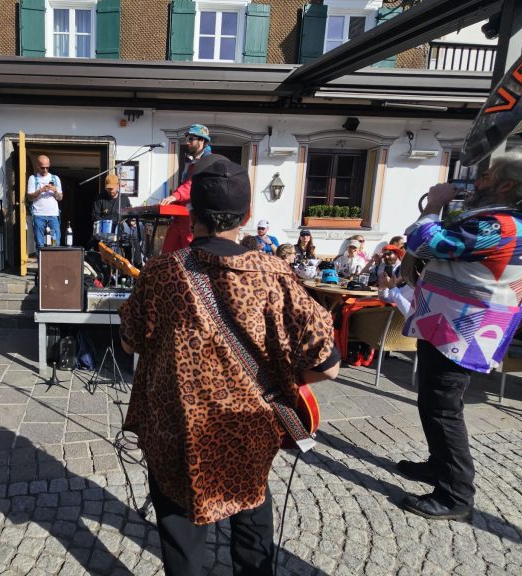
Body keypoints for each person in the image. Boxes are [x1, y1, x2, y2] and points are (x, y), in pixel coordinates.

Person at [120, 154, 338, 576]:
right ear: (247, 215)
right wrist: (284, 381)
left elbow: (130, 342)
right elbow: (328, 365)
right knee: (252, 516)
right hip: (248, 428)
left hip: (176, 428)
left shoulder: (161, 272)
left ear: (192, 215)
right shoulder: (275, 274)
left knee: (179, 529)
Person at [393, 150, 522, 522]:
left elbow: (425, 244)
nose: (477, 181)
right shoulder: (514, 223)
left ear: (506, 185)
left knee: (443, 410)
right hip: (452, 326)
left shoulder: (501, 226)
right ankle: (438, 466)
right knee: (435, 404)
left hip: (460, 332)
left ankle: (455, 495)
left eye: (487, 175)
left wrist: (434, 205)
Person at [159, 124, 212, 253]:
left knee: (190, 253)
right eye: (187, 138)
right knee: (169, 251)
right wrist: (172, 203)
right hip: (182, 214)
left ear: (202, 140)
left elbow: (192, 185)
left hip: (195, 216)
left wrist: (175, 196)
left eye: (191, 139)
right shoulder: (192, 161)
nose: (187, 142)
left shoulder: (207, 161)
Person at [26, 155, 62, 249]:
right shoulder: (33, 178)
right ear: (37, 166)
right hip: (38, 214)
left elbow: (60, 198)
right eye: (42, 167)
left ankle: (54, 258)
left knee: (56, 242)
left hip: (53, 214)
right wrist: (41, 190)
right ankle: (41, 259)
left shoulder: (55, 178)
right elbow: (29, 197)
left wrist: (55, 191)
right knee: (40, 243)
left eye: (47, 167)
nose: (45, 170)